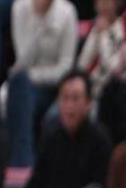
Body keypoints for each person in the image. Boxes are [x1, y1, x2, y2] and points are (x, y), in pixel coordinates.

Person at [5, 0, 78, 166]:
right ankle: (22, 162)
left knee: (20, 80)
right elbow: (23, 60)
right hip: (27, 87)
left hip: (57, 88)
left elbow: (65, 69)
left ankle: (23, 162)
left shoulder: (67, 12)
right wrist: (39, 20)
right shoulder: (19, 8)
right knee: (18, 84)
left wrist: (31, 75)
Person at [77, 0, 126, 117]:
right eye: (99, 2)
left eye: (107, 2)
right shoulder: (95, 28)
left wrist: (104, 35)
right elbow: (82, 64)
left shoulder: (123, 28)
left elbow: (113, 67)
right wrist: (95, 35)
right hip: (87, 89)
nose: (103, 6)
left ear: (117, 3)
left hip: (108, 92)